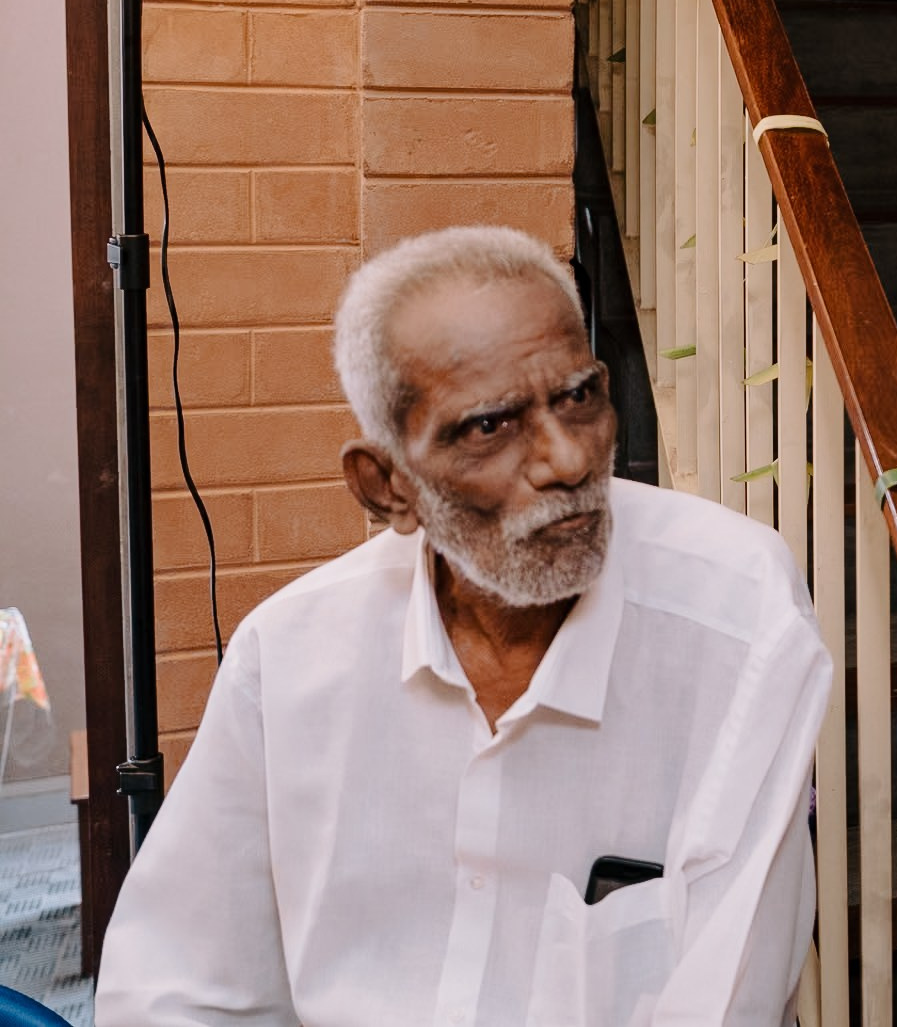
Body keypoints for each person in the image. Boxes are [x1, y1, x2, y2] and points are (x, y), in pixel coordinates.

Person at [96, 227, 830, 1027]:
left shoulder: (738, 615)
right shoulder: (290, 659)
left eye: (579, 397)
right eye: (490, 426)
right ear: (387, 488)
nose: (566, 461)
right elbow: (175, 987)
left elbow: (730, 1003)